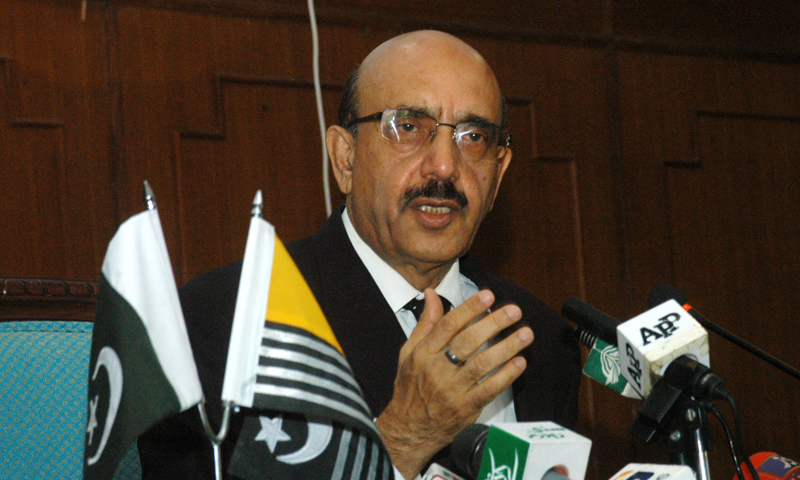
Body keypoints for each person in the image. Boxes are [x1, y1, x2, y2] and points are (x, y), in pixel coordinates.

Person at [139, 30, 581, 480]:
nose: (445, 166)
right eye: (408, 127)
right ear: (345, 158)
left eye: (474, 137)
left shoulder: (542, 342)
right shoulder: (222, 324)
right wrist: (403, 439)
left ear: (498, 173)